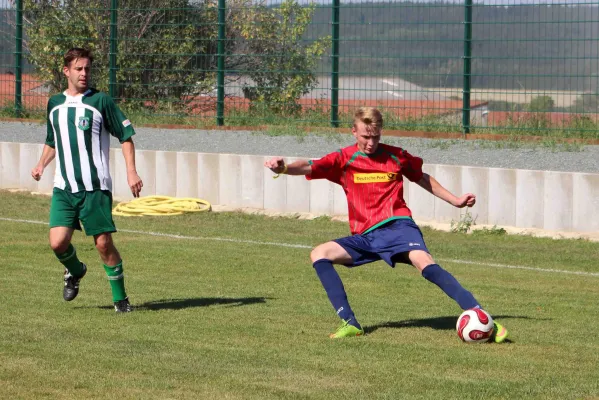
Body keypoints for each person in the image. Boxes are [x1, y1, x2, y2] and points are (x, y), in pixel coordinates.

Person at [264, 107, 509, 341]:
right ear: (353, 131)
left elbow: (421, 177)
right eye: (365, 137)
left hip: (398, 225)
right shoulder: (343, 158)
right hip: (366, 235)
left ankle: (483, 317)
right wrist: (283, 167)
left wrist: (455, 200)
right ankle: (350, 324)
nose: (371, 143)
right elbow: (308, 165)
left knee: (424, 262)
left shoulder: (396, 156)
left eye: (376, 136)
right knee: (320, 254)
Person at [31, 47, 143, 313]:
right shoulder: (54, 104)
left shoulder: (100, 101)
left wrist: (131, 171)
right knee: (57, 242)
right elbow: (52, 140)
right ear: (66, 71)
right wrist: (41, 164)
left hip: (95, 188)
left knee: (103, 244)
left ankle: (121, 300)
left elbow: (125, 136)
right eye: (79, 69)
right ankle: (76, 270)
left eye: (88, 69)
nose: (84, 74)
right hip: (64, 187)